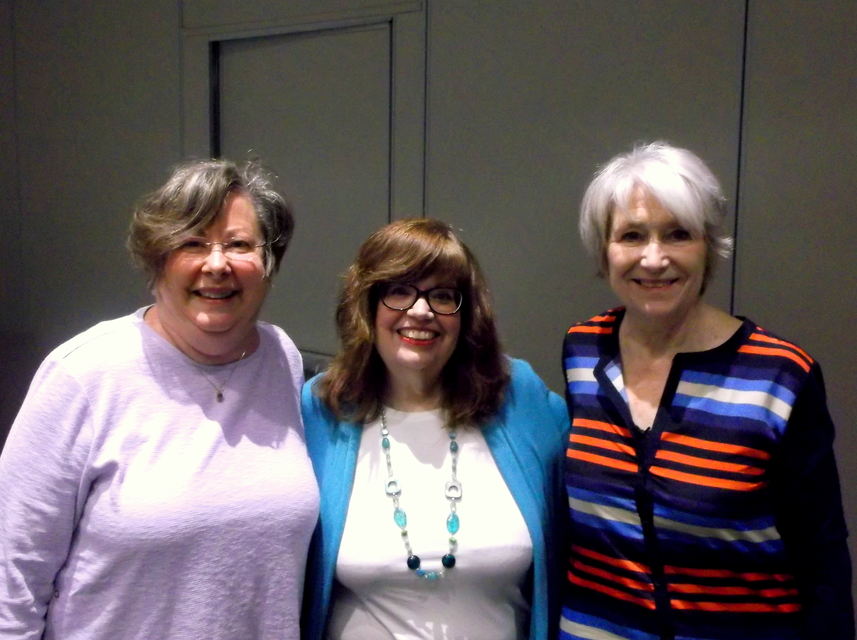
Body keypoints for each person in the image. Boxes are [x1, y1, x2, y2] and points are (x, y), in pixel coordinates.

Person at [0, 159, 319, 640]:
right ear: (157, 260)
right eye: (193, 243)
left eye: (238, 244)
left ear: (268, 262)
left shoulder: (281, 359)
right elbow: (12, 581)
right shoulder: (84, 375)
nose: (217, 264)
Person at [560, 142, 854, 640]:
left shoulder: (779, 375)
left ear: (708, 246)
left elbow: (822, 557)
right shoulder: (583, 351)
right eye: (632, 235)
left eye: (678, 234)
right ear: (604, 251)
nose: (654, 258)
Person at [301, 218, 569, 640]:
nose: (421, 311)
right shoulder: (322, 409)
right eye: (399, 291)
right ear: (367, 306)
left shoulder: (520, 400)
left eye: (443, 295)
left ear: (466, 315)